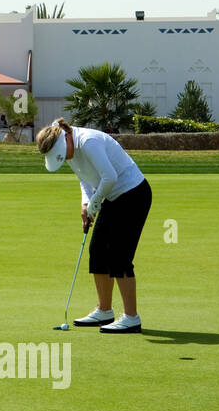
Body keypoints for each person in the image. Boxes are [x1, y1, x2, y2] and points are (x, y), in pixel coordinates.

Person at [37, 117, 152, 333]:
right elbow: (85, 178)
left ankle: (131, 317)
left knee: (120, 256)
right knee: (97, 251)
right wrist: (86, 203)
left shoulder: (88, 142)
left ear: (65, 140)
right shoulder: (69, 147)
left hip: (133, 195)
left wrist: (96, 202)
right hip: (112, 196)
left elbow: (110, 176)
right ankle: (104, 310)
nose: (66, 158)